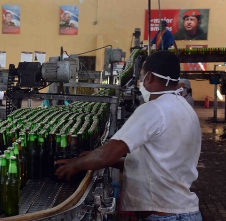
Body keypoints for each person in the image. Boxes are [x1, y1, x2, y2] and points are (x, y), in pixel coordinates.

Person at [55, 51, 202, 220]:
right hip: (187, 213)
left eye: (141, 76)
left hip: (165, 216)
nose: (141, 82)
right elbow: (156, 165)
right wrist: (93, 159)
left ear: (150, 77)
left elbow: (107, 154)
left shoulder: (154, 109)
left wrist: (75, 165)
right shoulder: (185, 109)